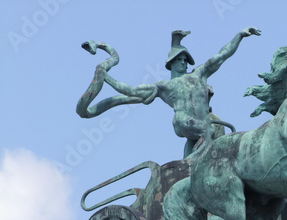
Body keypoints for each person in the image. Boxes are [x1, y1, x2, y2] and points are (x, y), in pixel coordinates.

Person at [77, 27, 261, 157]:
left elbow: (221, 56)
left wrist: (239, 35)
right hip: (183, 122)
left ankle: (194, 167)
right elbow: (130, 91)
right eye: (180, 59)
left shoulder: (199, 74)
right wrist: (105, 76)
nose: (184, 62)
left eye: (185, 59)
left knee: (217, 134)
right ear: (171, 62)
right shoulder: (164, 86)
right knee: (208, 130)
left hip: (203, 122)